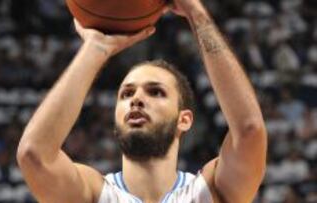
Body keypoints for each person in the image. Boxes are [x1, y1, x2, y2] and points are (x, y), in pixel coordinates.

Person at [16, 0, 267, 202]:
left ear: (185, 119)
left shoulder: (209, 192)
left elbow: (249, 131)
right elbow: (34, 154)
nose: (136, 99)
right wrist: (96, 48)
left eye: (155, 92)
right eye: (126, 94)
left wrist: (196, 13)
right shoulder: (93, 195)